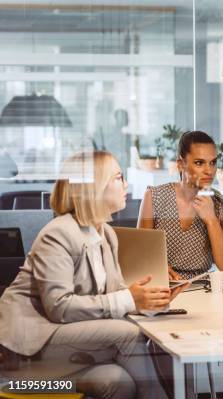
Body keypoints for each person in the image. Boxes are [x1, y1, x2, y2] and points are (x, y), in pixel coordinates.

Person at [0, 151, 184, 399]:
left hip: (64, 349)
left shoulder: (105, 233)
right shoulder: (58, 233)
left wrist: (151, 301)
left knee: (118, 382)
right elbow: (59, 307)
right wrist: (129, 299)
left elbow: (115, 294)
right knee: (128, 334)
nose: (126, 184)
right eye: (118, 177)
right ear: (95, 187)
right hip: (26, 354)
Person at [138, 130, 223, 280]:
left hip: (203, 290)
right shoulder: (154, 197)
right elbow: (140, 257)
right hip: (162, 286)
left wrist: (211, 220)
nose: (209, 171)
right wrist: (157, 268)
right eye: (199, 163)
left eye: (213, 162)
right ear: (181, 164)